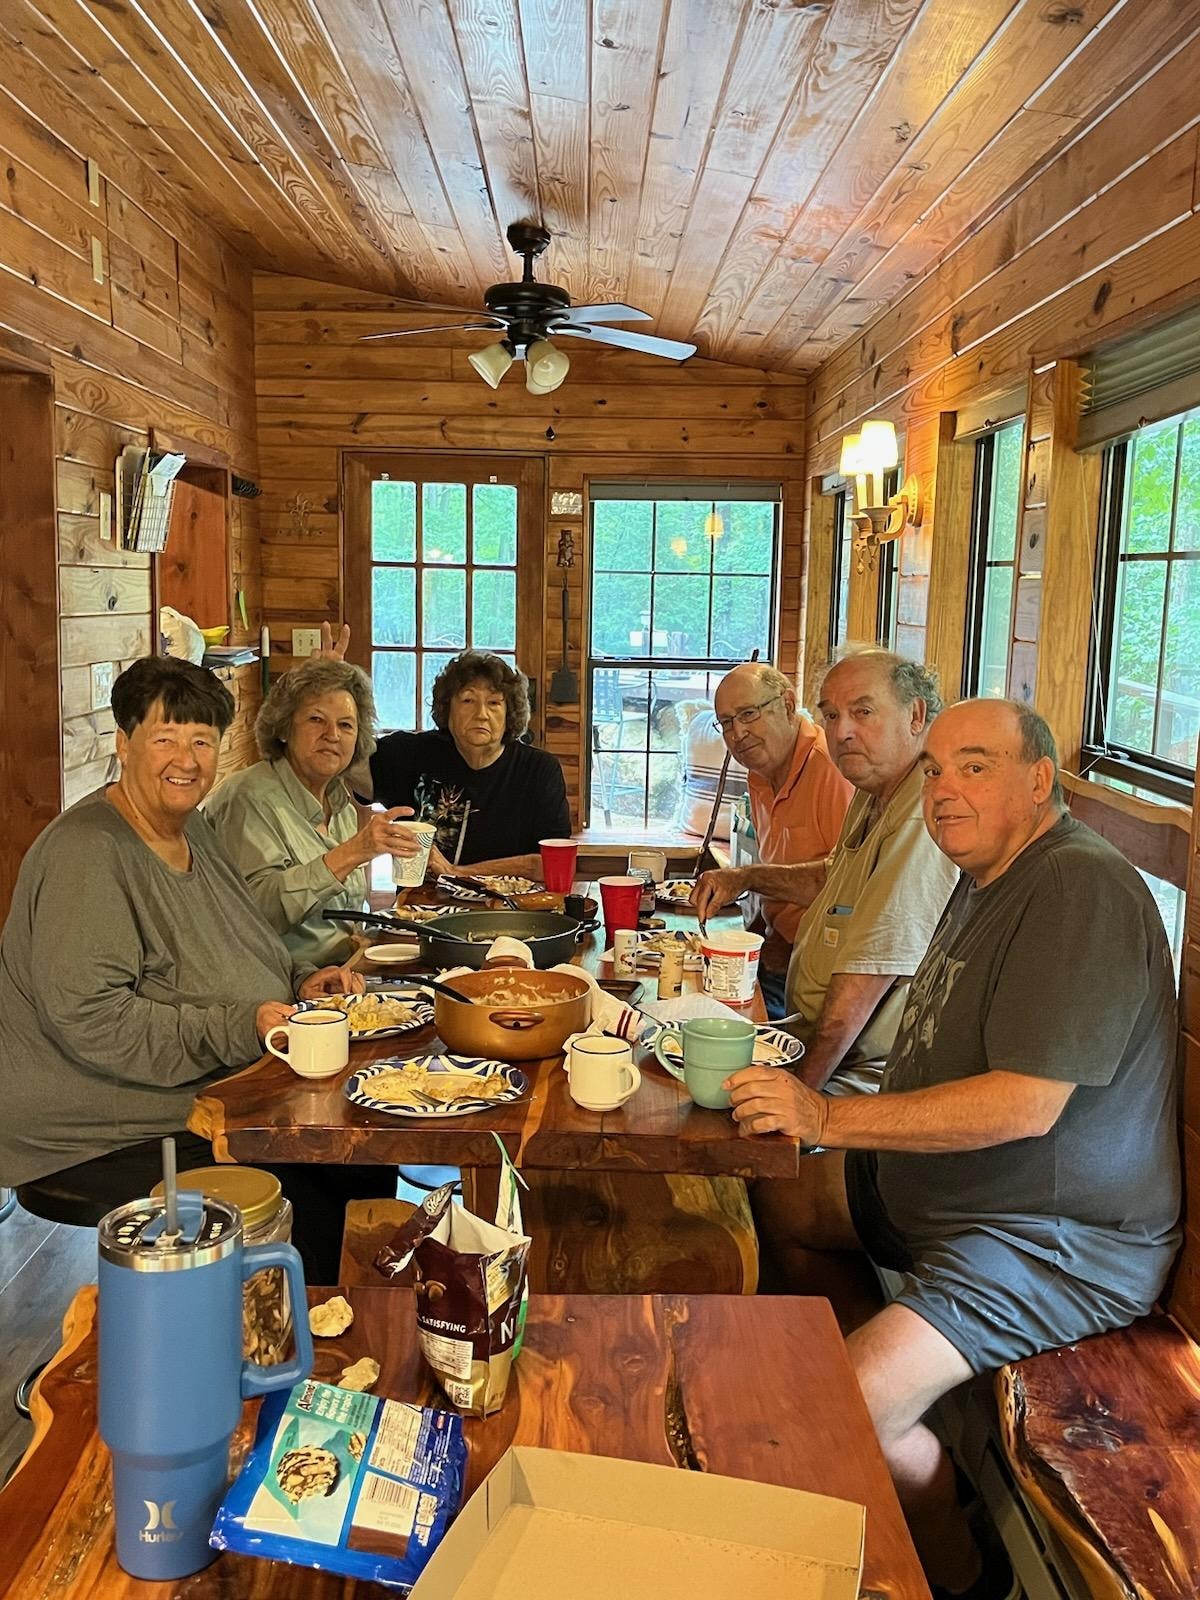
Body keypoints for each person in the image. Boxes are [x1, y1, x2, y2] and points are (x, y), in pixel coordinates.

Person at [725, 699, 1181, 1600]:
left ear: (1041, 781)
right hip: (947, 1191)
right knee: (772, 1196)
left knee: (855, 1401)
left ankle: (958, 1569)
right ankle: (866, 1414)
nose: (943, 790)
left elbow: (1024, 1105)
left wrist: (823, 1119)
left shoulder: (1077, 887)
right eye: (934, 770)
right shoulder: (986, 874)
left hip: (1051, 1241)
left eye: (975, 766)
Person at [0, 655, 395, 1281]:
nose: (186, 760)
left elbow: (244, 941)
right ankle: (279, 1346)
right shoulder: (88, 854)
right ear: (124, 744)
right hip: (100, 1121)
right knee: (316, 1171)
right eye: (165, 739)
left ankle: (328, 1325)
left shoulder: (192, 830)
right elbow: (94, 1022)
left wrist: (297, 984)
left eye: (202, 741)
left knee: (356, 1148)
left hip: (202, 1079)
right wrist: (243, 1025)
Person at [206, 658, 420, 965]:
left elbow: (341, 918)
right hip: (280, 988)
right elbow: (253, 914)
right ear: (283, 729)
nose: (332, 734)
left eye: (345, 725)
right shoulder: (248, 798)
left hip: (343, 972)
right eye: (316, 720)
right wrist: (352, 852)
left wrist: (365, 939)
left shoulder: (340, 799)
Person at [692, 663, 852, 1018]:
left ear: (789, 704)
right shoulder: (761, 770)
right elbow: (783, 871)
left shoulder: (830, 768)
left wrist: (746, 878)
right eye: (727, 722)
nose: (738, 733)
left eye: (749, 714)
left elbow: (845, 884)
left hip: (824, 973)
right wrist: (757, 935)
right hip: (779, 950)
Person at [357, 649, 570, 879]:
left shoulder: (538, 770)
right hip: (421, 911)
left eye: (494, 703)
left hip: (508, 911)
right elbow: (350, 768)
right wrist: (334, 689)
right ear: (447, 709)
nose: (481, 714)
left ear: (509, 714)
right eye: (468, 700)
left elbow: (551, 863)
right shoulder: (412, 754)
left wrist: (456, 873)